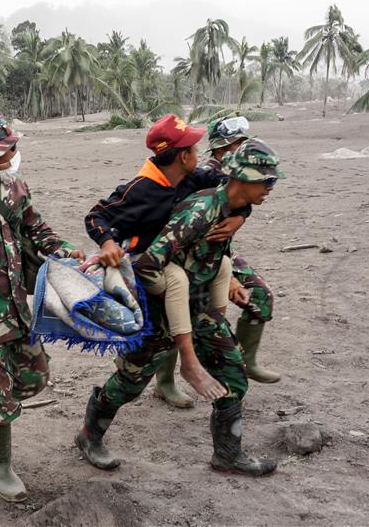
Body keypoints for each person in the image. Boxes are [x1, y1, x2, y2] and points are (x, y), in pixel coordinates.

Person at [0, 110, 83, 502]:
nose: (16, 149)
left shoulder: (14, 186)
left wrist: (63, 251)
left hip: (18, 311)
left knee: (35, 377)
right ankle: (0, 465)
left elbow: (35, 228)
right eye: (9, 145)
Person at [131, 137, 284, 475]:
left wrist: (224, 279)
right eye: (267, 180)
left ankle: (227, 456)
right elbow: (147, 264)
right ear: (243, 177)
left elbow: (216, 248)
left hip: (201, 306)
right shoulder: (200, 211)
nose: (271, 188)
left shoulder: (234, 206)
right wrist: (172, 298)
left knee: (233, 374)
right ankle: (89, 434)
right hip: (166, 307)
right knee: (129, 381)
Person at [84, 114, 251, 408]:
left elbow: (232, 189)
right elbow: (96, 215)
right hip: (146, 261)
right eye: (195, 150)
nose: (200, 157)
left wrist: (240, 216)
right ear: (184, 155)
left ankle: (211, 335)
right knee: (176, 283)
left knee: (222, 267)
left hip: (177, 255)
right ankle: (187, 361)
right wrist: (107, 242)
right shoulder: (141, 190)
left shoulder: (190, 177)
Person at [201, 115, 281, 383]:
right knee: (181, 320)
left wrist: (242, 214)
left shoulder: (236, 171)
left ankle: (248, 361)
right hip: (194, 253)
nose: (244, 149)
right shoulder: (206, 176)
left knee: (260, 295)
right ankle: (166, 381)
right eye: (239, 144)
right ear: (223, 148)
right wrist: (230, 278)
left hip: (221, 249)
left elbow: (241, 201)